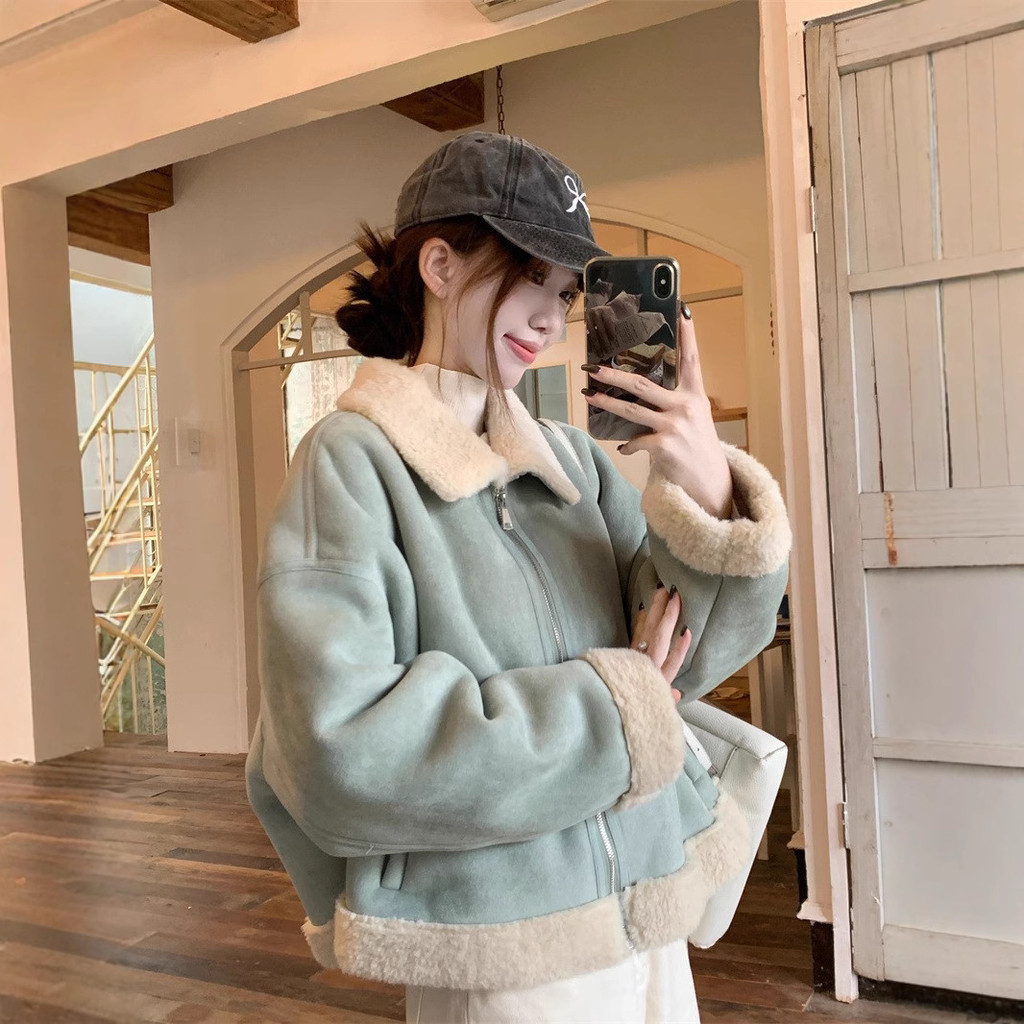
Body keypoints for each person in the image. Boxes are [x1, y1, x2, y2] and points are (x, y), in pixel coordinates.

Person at [245, 131, 791, 1023]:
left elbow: (684, 661)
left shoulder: (573, 463)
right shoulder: (351, 463)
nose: (549, 317)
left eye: (566, 293)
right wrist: (612, 707)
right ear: (439, 265)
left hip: (650, 912)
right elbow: (339, 750)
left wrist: (705, 488)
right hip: (507, 949)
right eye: (531, 277)